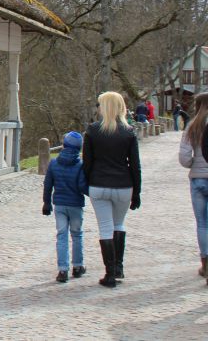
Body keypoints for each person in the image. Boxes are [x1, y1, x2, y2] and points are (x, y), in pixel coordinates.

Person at [83, 91, 141, 288]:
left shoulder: (92, 130)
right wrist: (137, 192)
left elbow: (87, 163)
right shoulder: (128, 131)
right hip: (123, 184)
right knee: (119, 224)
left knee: (105, 227)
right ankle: (118, 267)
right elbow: (135, 165)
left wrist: (86, 184)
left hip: (99, 183)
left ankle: (109, 274)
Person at [42, 131, 88, 282]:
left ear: (64, 145)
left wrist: (46, 202)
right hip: (75, 204)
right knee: (77, 235)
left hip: (60, 205)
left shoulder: (54, 163)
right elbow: (82, 186)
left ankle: (63, 270)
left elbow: (48, 184)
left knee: (61, 236)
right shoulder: (80, 164)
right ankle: (78, 266)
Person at [178, 92, 208, 284]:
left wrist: (194, 163)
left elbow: (184, 157)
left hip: (198, 179)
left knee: (203, 223)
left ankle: (206, 262)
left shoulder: (193, 126)